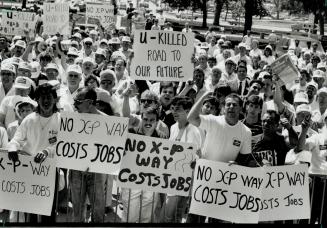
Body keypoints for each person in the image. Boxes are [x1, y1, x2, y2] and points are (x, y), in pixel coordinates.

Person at [7, 83, 60, 224]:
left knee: (48, 210)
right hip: (30, 171)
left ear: (55, 99)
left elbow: (62, 144)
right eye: (42, 98)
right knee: (30, 209)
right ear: (37, 100)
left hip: (50, 171)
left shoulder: (61, 120)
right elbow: (16, 139)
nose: (46, 101)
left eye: (49, 97)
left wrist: (47, 151)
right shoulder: (29, 119)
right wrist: (12, 148)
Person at [161, 96, 202, 223]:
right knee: (170, 215)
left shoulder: (195, 131)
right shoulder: (173, 127)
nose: (174, 112)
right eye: (173, 109)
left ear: (188, 111)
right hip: (170, 177)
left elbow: (197, 155)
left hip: (184, 180)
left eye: (178, 109)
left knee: (174, 215)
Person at [70, 87, 106, 223]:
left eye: (78, 101)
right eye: (74, 101)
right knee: (77, 211)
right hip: (76, 170)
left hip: (96, 171)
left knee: (98, 210)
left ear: (90, 103)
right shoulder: (71, 121)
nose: (74, 105)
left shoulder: (108, 122)